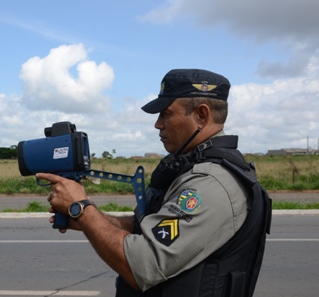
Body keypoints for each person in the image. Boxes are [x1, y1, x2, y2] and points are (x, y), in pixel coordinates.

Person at [37, 69, 271, 297]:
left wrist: (81, 208)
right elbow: (153, 228)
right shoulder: (192, 168)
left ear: (201, 115)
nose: (157, 124)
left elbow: (141, 267)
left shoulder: (210, 184)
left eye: (166, 114)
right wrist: (93, 219)